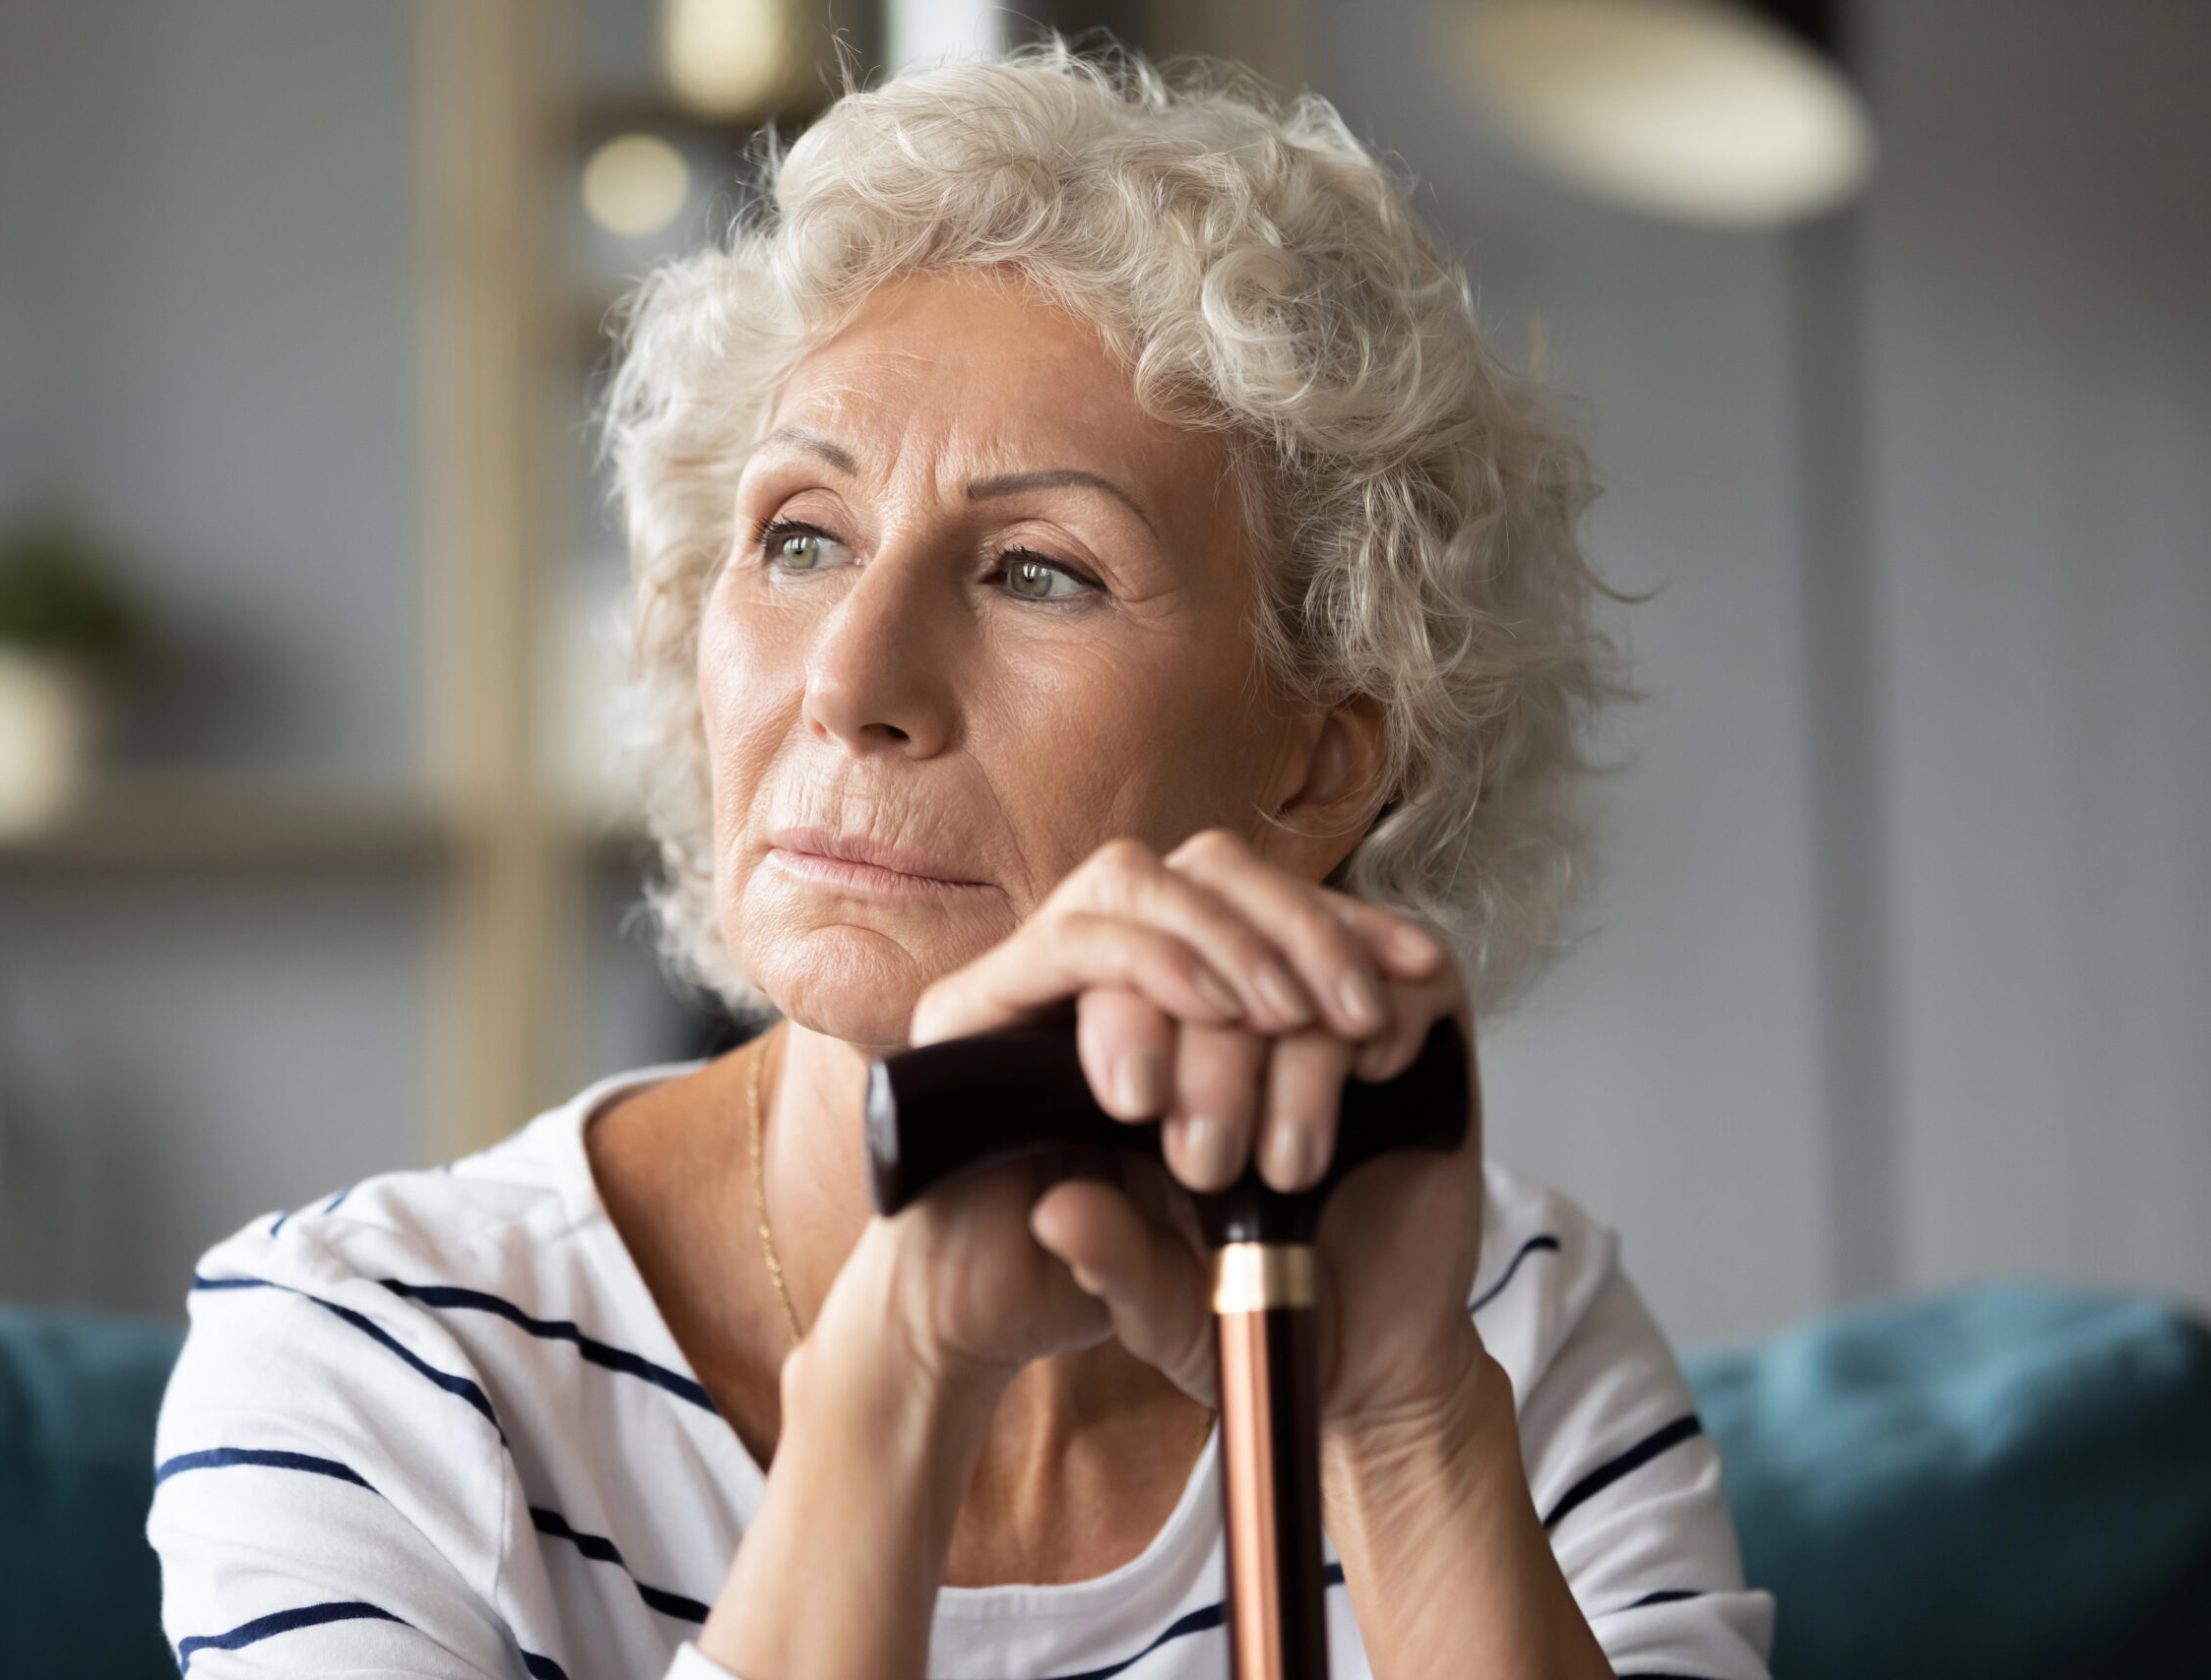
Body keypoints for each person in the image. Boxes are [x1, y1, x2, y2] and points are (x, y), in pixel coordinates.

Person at [150, 47, 1775, 1680]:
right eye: (799, 537)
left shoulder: (1502, 1325)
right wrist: (900, 1369)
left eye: (1037, 572)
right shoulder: (374, 1354)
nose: (849, 682)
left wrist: (1402, 1422)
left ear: (1321, 762)